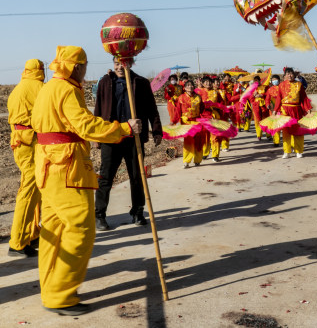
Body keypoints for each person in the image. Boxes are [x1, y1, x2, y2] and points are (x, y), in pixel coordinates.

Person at [31, 46, 141, 316]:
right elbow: (87, 126)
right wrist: (125, 128)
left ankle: (51, 290)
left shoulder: (47, 88)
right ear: (75, 67)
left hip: (46, 164)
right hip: (65, 167)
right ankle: (61, 295)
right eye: (84, 65)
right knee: (81, 228)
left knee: (53, 233)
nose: (85, 69)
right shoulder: (67, 90)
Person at [93, 59, 162, 231]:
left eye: (123, 63)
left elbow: (151, 108)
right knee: (106, 177)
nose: (119, 67)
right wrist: (95, 135)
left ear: (131, 63)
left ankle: (137, 212)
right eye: (116, 63)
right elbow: (98, 109)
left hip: (134, 137)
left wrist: (156, 130)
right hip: (111, 136)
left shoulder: (141, 82)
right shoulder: (105, 82)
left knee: (137, 177)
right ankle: (99, 214)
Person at [7, 59, 45, 257]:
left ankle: (32, 233)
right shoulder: (40, 88)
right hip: (32, 143)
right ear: (41, 71)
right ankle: (18, 242)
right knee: (29, 191)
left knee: (34, 189)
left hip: (20, 142)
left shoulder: (17, 89)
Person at [274, 68, 311, 158]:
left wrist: (308, 109)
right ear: (285, 75)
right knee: (286, 132)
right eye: (288, 74)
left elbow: (304, 98)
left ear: (294, 75)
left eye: (291, 74)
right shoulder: (281, 85)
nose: (290, 75)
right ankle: (287, 151)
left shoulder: (299, 85)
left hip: (296, 110)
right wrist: (275, 110)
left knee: (298, 130)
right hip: (285, 111)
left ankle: (298, 151)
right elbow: (278, 98)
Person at [177, 79, 205, 168]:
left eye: (192, 85)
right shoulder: (181, 97)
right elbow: (178, 111)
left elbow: (202, 109)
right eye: (188, 85)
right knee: (188, 143)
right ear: (184, 88)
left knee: (198, 142)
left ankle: (197, 160)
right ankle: (186, 161)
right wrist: (177, 122)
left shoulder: (198, 97)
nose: (190, 86)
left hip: (196, 121)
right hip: (186, 123)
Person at [264, 74, 282, 146]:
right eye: (273, 80)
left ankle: (287, 140)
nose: (274, 81)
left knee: (283, 125)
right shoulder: (269, 90)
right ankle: (276, 141)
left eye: (276, 80)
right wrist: (267, 104)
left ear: (279, 80)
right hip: (273, 109)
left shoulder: (282, 88)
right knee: (275, 125)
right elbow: (267, 99)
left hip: (282, 109)